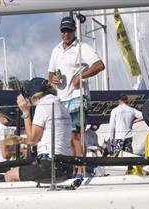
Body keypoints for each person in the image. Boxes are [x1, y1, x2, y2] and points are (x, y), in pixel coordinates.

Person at [48, 15, 106, 158]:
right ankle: (74, 168)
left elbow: (100, 65)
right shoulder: (56, 50)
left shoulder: (82, 47)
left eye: (69, 30)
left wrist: (81, 76)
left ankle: (81, 170)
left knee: (76, 135)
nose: (66, 33)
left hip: (77, 97)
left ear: (74, 30)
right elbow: (50, 74)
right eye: (63, 30)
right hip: (62, 99)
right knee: (67, 136)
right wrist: (53, 78)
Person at [4, 77, 73, 183]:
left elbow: (32, 140)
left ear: (31, 95)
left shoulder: (43, 105)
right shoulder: (62, 107)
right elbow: (51, 137)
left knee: (9, 175)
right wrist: (23, 140)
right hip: (66, 165)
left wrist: (26, 112)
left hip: (50, 165)